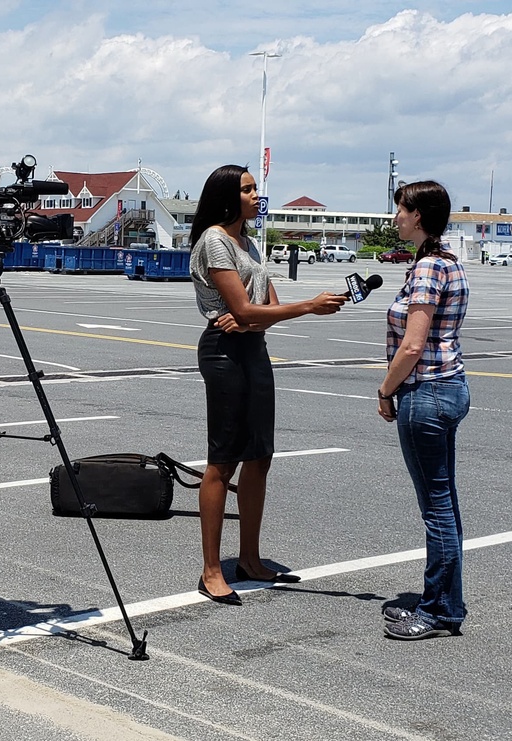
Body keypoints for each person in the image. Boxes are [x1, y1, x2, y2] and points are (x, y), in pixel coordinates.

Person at [189, 164, 347, 605]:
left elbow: (264, 307)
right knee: (223, 461)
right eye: (247, 189)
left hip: (252, 349)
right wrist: (305, 307)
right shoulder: (216, 240)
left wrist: (256, 318)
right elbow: (242, 309)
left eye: (256, 188)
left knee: (260, 456)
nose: (257, 195)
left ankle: (251, 559)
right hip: (223, 352)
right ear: (227, 196)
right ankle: (211, 570)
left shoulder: (251, 244)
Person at [377, 181, 470, 640]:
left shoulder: (429, 267)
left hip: (426, 393)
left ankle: (439, 610)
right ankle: (445, 601)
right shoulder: (445, 262)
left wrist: (385, 388)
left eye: (401, 209)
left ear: (419, 216)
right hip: (448, 388)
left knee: (436, 510)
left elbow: (414, 343)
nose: (395, 217)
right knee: (444, 503)